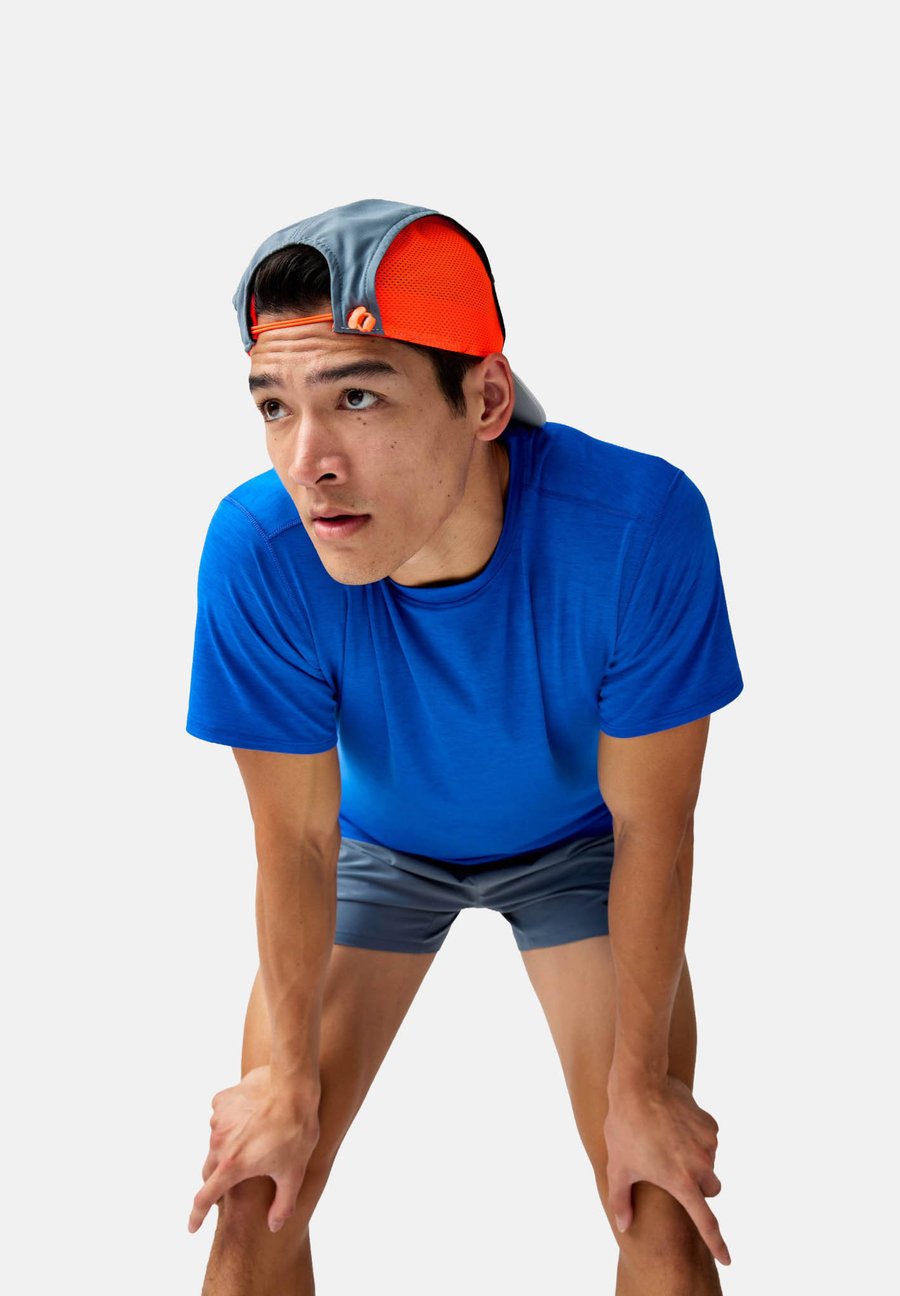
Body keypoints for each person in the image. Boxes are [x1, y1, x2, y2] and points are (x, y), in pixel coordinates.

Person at [184, 197, 744, 1295]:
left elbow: (654, 827)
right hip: (373, 851)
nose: (310, 460)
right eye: (274, 406)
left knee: (657, 1203)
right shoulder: (257, 550)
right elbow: (297, 841)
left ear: (485, 398)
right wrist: (285, 1083)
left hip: (583, 850)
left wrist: (641, 1090)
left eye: (357, 396)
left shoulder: (639, 526)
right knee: (258, 1190)